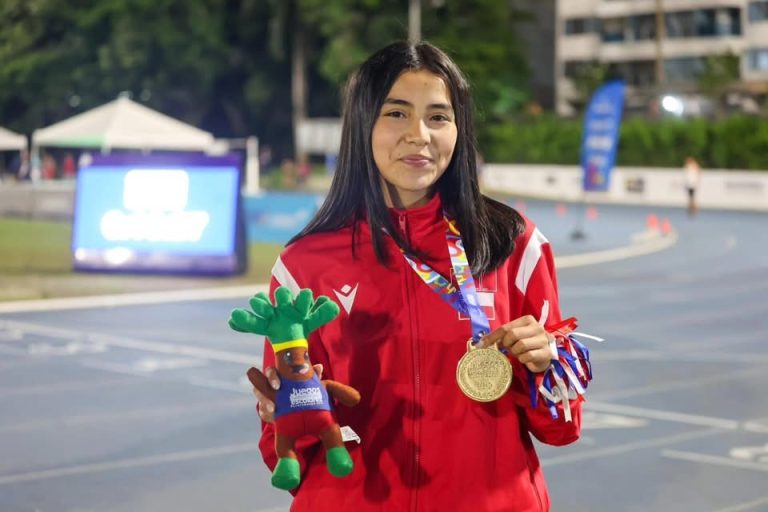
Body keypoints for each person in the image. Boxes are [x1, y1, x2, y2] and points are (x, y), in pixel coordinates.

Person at [249, 41, 592, 511]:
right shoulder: (305, 265)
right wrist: (286, 417)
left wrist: (547, 365)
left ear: (459, 128)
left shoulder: (512, 244)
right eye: (396, 114)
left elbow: (563, 426)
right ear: (362, 125)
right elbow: (286, 457)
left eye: (438, 116)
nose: (420, 135)